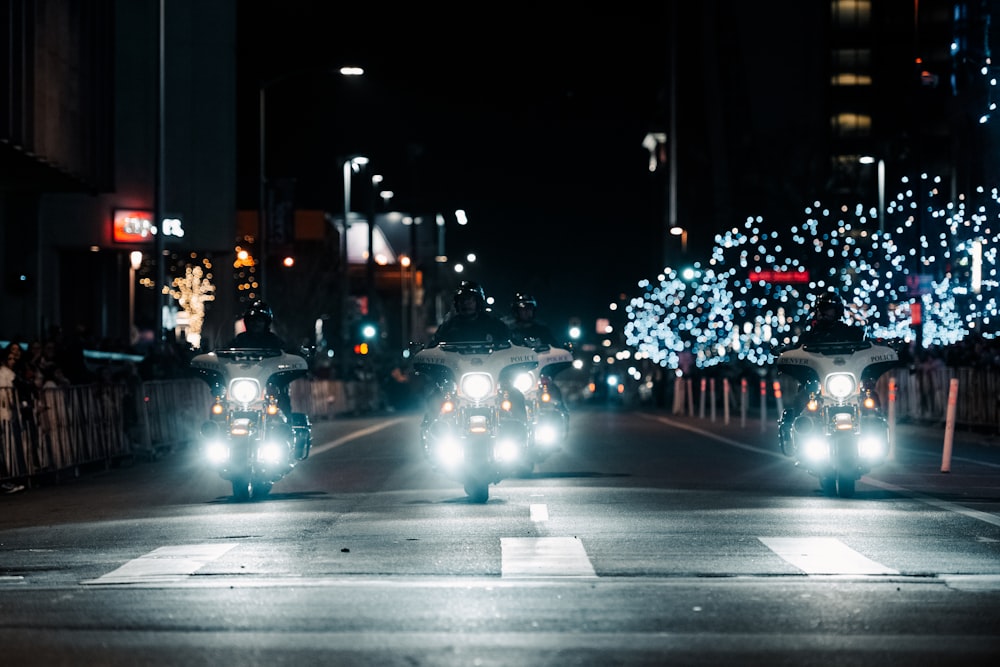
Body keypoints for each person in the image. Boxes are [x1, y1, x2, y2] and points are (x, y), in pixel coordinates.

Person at [777, 291, 868, 456]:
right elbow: (796, 353)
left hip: (847, 382)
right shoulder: (808, 336)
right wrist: (786, 354)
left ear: (837, 311)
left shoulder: (852, 333)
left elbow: (867, 349)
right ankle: (798, 441)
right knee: (802, 398)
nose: (822, 312)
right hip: (817, 383)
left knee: (870, 397)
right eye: (820, 309)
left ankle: (874, 430)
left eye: (827, 309)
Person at [227, 301, 294, 416]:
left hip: (270, 380)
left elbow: (286, 353)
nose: (255, 324)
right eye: (252, 320)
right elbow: (225, 352)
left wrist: (295, 356)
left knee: (281, 395)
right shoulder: (239, 340)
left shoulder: (274, 341)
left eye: (259, 320)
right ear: (247, 322)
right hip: (243, 379)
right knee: (222, 399)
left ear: (266, 322)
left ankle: (286, 427)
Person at [429, 281, 513, 345]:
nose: (465, 303)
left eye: (469, 300)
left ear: (478, 302)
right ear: (457, 303)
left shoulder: (495, 325)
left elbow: (512, 344)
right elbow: (433, 348)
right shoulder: (447, 327)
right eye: (462, 300)